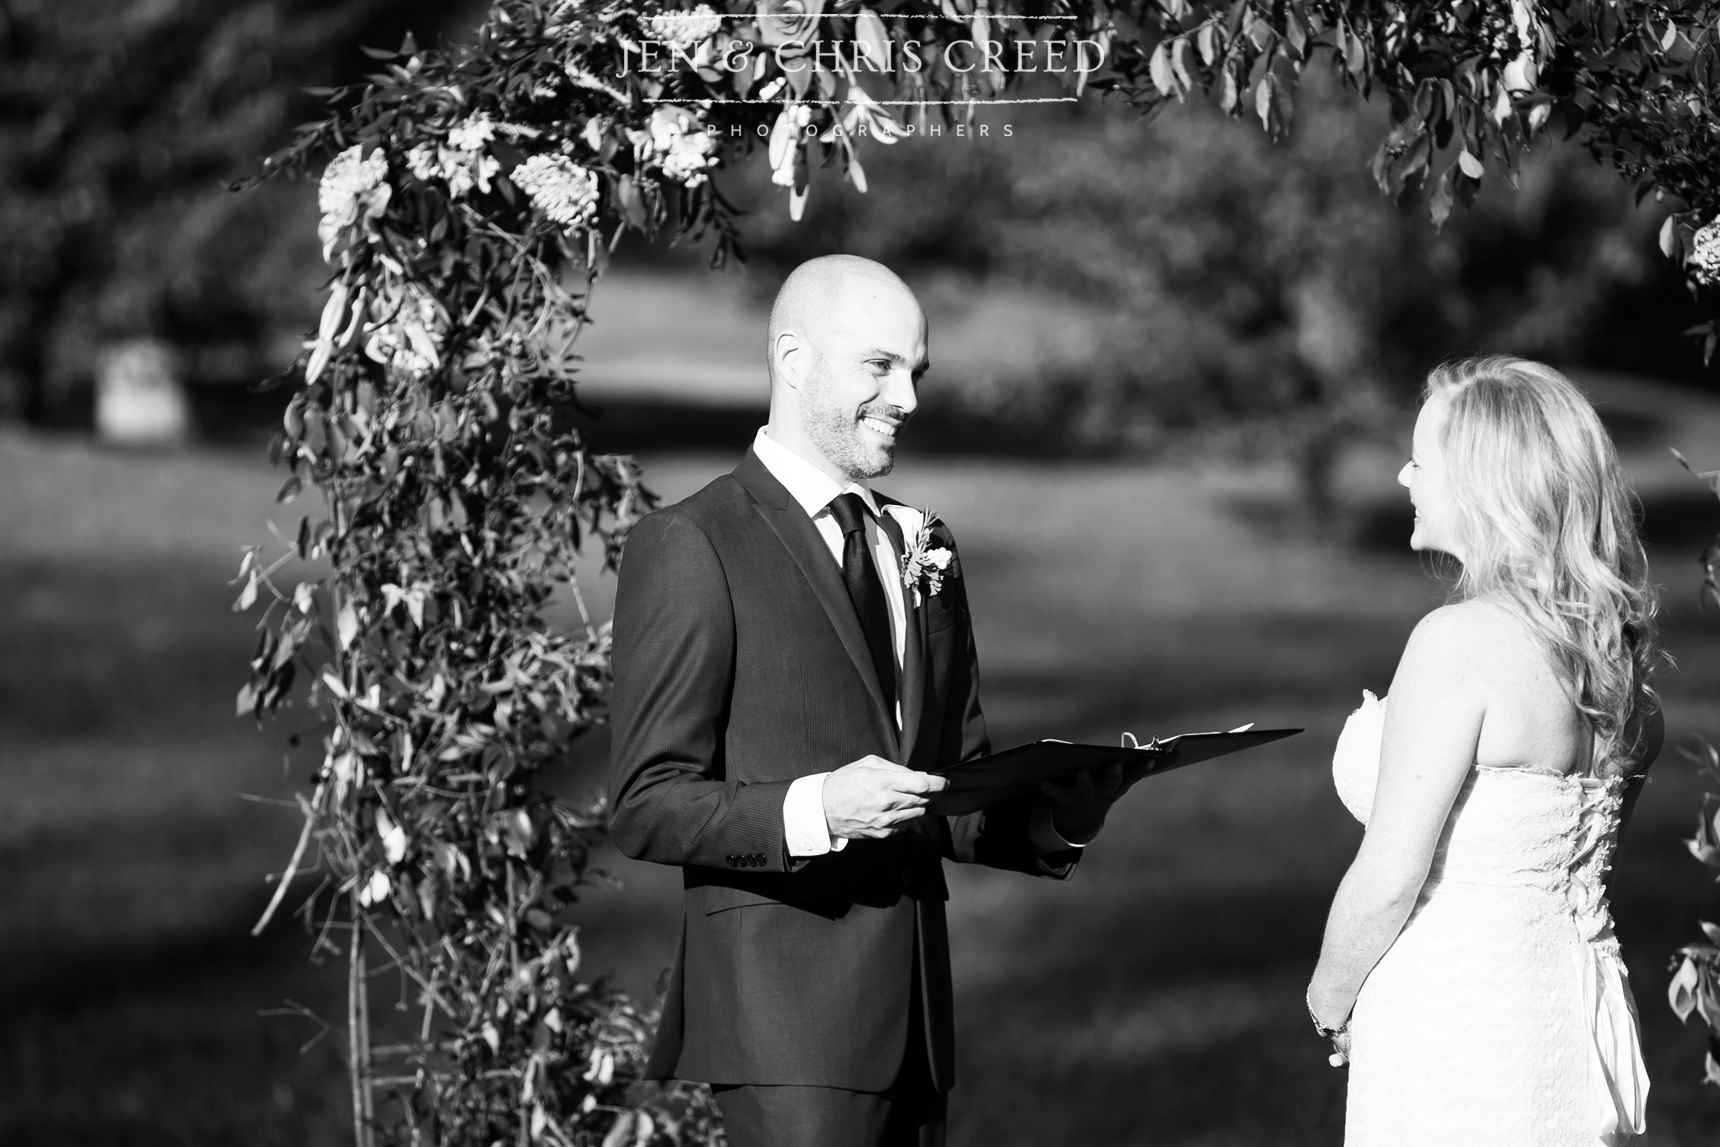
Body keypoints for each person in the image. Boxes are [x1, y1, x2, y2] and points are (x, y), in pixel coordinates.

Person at [606, 254, 1137, 1147]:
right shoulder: (692, 542)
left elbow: (949, 792)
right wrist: (821, 808)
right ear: (793, 357)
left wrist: (1059, 820)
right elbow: (646, 802)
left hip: (919, 1027)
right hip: (785, 1020)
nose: (909, 399)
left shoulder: (922, 542)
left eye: (916, 372)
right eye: (880, 366)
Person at [1308, 356, 1664, 1145]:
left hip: (1454, 1023)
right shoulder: (1623, 677)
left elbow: (1391, 875)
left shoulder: (1458, 644)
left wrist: (1330, 1001)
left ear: (1482, 483)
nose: (1403, 475)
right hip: (1576, 1021)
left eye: (1422, 461)